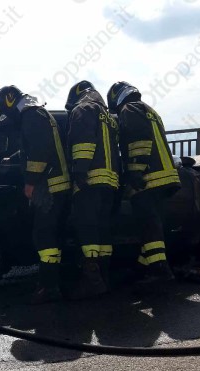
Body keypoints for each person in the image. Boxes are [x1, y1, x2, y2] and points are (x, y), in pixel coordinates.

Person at [0, 85, 71, 304]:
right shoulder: (36, 114)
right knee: (49, 235)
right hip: (54, 184)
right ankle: (51, 283)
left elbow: (39, 154)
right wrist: (13, 158)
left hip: (50, 186)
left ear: (9, 101)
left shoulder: (31, 116)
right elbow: (33, 147)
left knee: (44, 236)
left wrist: (30, 183)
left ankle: (49, 287)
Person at [107, 81, 181, 282]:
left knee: (148, 225)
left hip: (149, 178)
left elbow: (139, 141)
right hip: (166, 176)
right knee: (153, 224)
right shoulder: (149, 110)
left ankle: (160, 269)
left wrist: (135, 171)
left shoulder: (129, 109)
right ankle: (143, 267)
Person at [64, 80, 120, 299]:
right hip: (110, 182)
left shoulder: (83, 109)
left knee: (87, 229)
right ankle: (104, 278)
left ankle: (91, 280)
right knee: (103, 230)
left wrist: (79, 171)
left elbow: (83, 143)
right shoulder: (108, 116)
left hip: (90, 180)